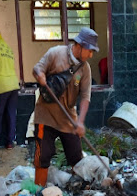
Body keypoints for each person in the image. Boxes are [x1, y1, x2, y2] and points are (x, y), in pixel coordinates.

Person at [32, 27, 95, 186]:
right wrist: (40, 75)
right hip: (45, 115)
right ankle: (39, 192)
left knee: (76, 157)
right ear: (79, 46)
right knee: (43, 156)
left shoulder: (85, 69)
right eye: (89, 50)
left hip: (68, 119)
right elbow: (37, 68)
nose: (91, 55)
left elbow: (86, 97)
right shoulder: (55, 53)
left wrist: (80, 122)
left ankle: (78, 191)